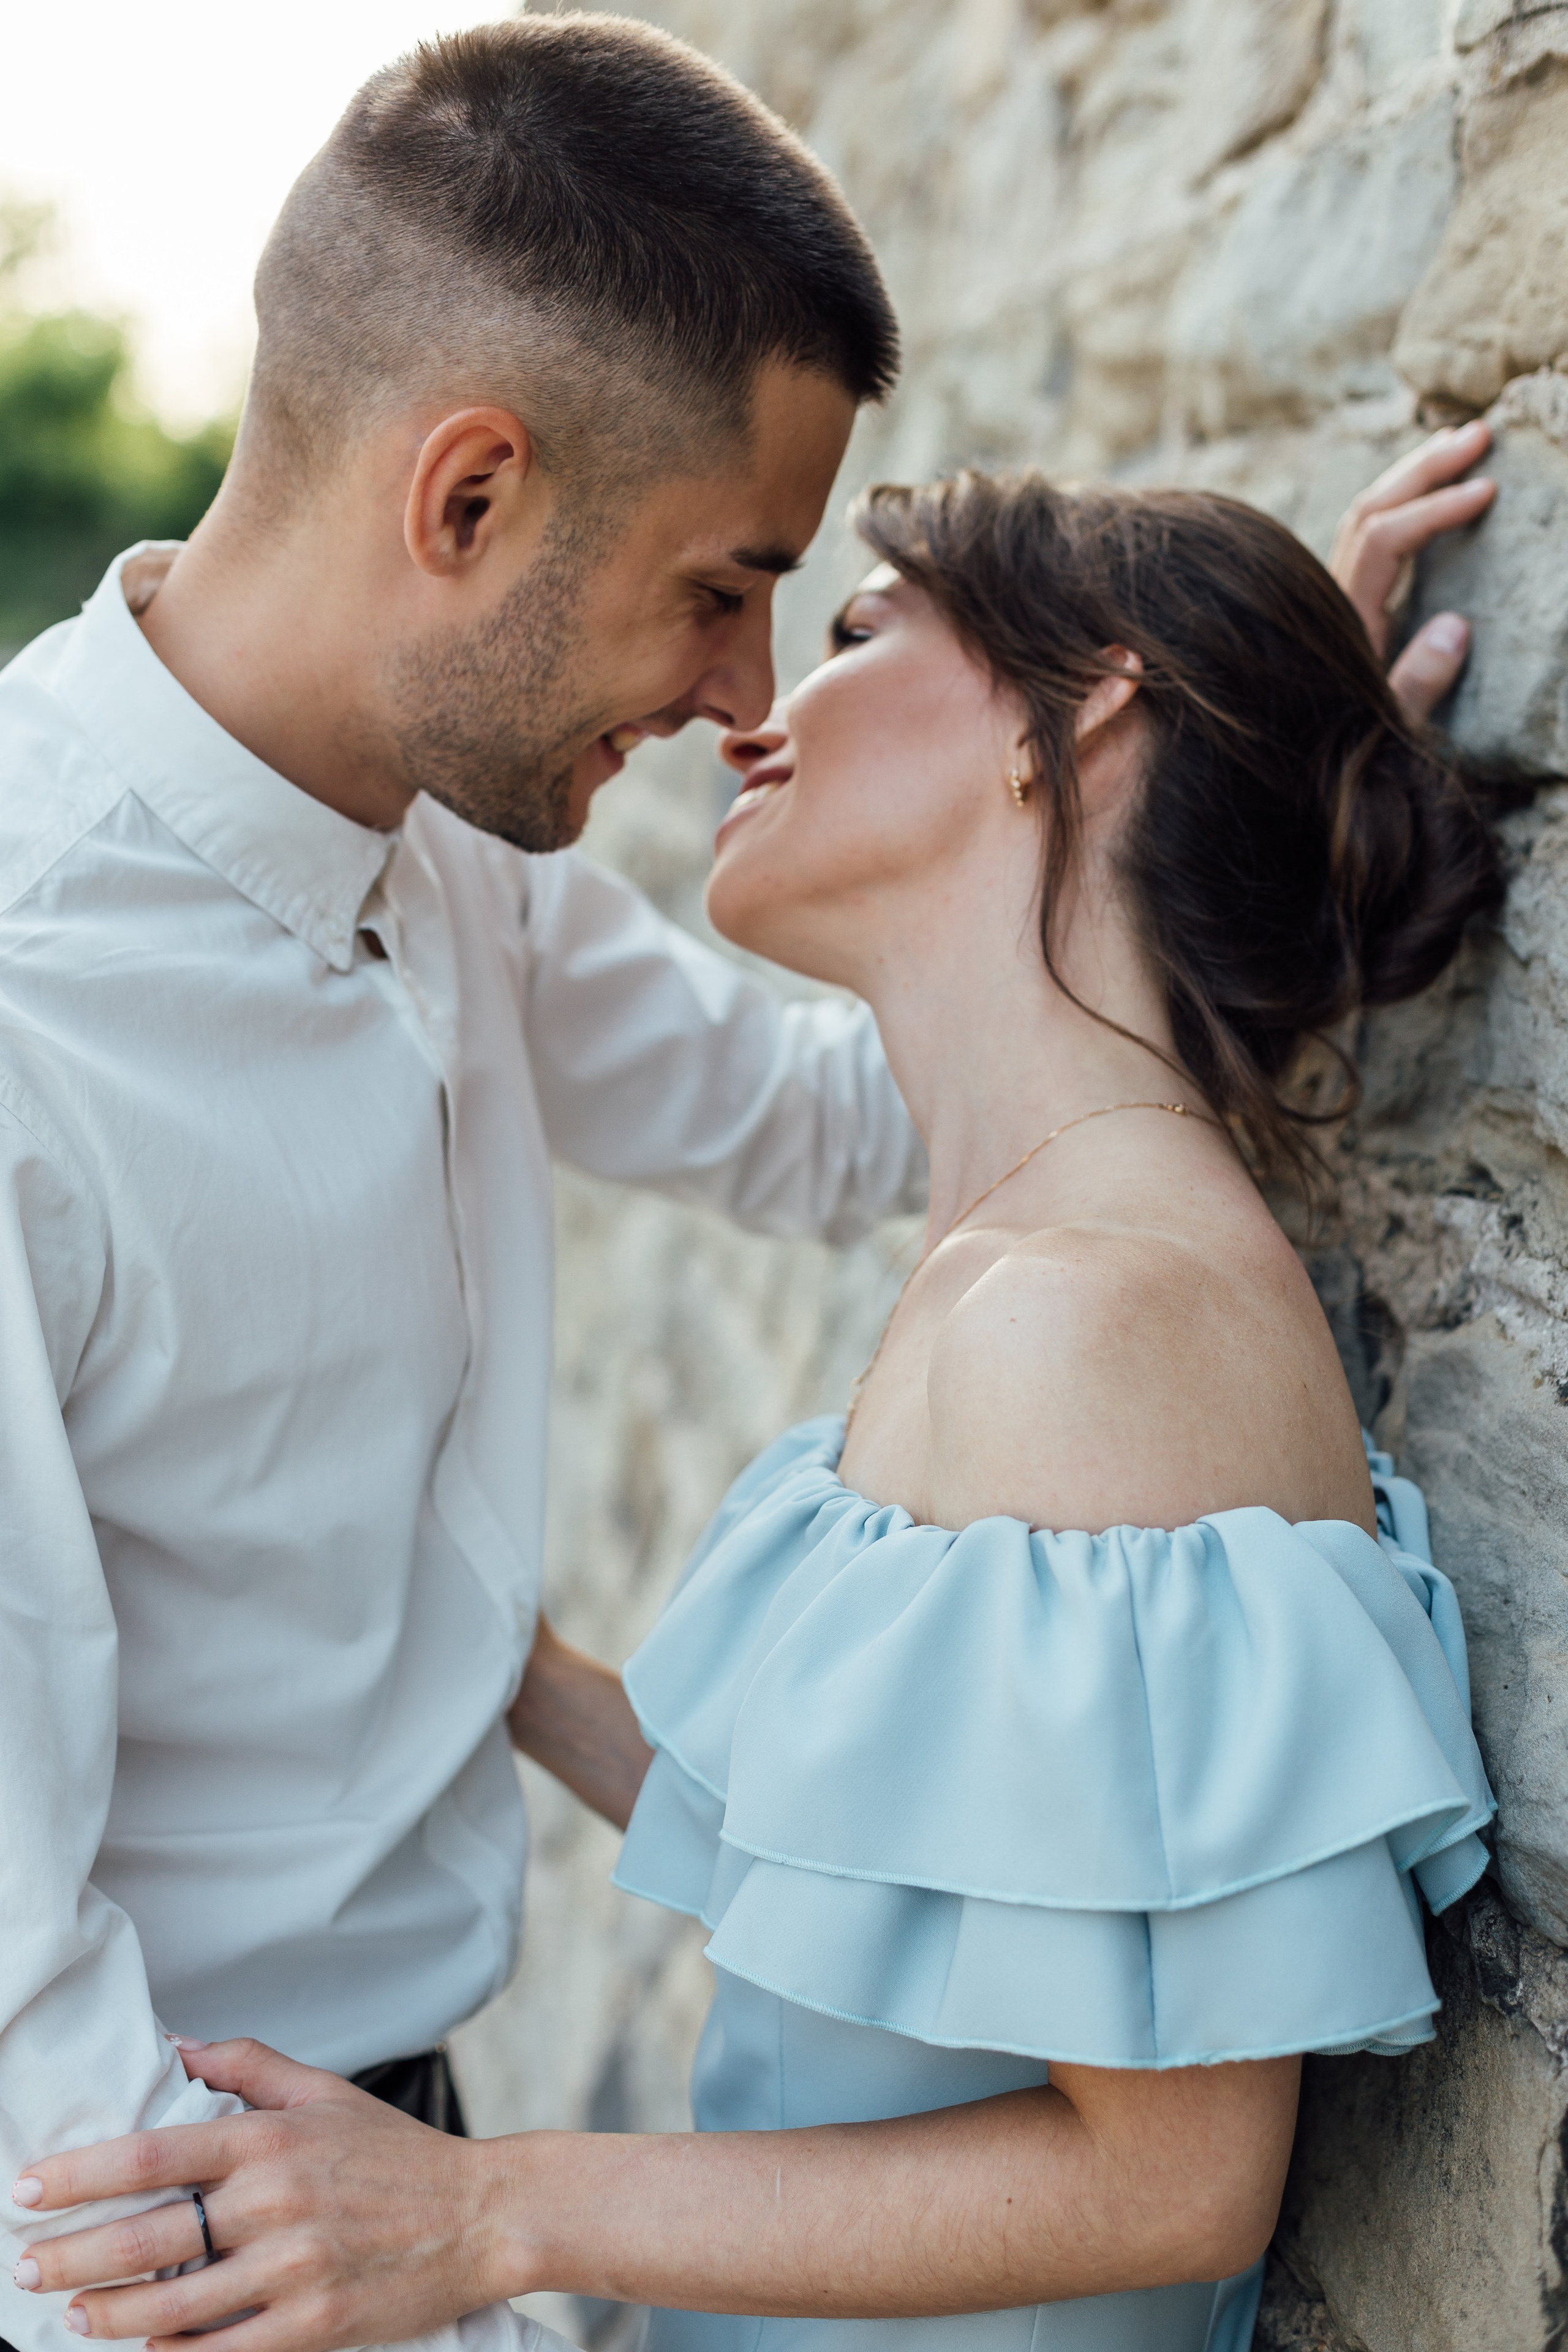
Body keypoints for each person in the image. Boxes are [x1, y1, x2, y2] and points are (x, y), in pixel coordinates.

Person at [15, 450, 1502, 2352]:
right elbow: (923, 1877)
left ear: (1089, 707)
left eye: (865, 628)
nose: (753, 706)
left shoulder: (1096, 1325)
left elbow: (1171, 2179)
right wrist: (461, 1643)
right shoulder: (1021, 1263)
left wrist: (489, 2212)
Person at [0, 20, 920, 2352]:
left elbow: (837, 1125)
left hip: (393, 2167)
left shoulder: (451, 861)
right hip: (175, 2255)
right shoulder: (28, 1011)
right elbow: (19, 2016)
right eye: (725, 587)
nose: (742, 697)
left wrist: (1189, 784)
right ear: (471, 497)